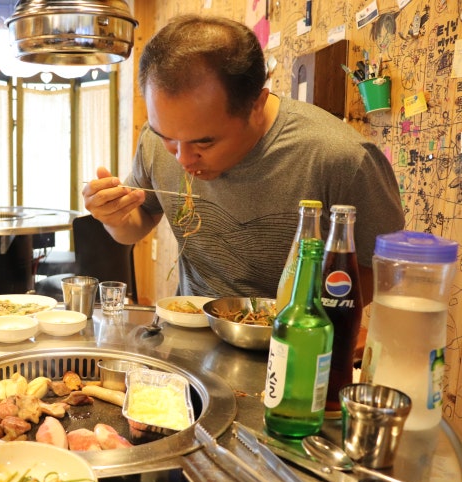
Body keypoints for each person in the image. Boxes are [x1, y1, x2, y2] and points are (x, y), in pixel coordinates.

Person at [82, 15, 404, 301]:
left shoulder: (341, 158)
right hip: (190, 332)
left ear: (256, 104)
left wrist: (310, 319)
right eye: (167, 137)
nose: (182, 157)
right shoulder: (156, 138)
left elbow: (384, 270)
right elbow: (136, 224)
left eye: (204, 142)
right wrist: (114, 217)